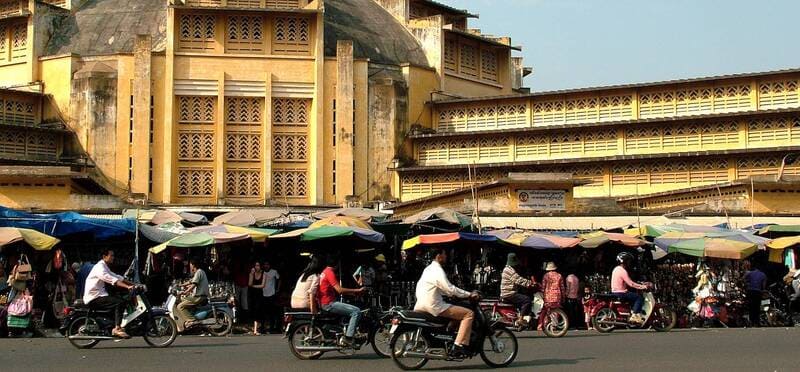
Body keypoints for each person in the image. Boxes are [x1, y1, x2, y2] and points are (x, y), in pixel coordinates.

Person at [414, 247, 479, 358]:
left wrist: (450, 294)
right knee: (468, 314)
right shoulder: (438, 270)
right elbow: (450, 288)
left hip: (420, 304)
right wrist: (469, 294)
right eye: (444, 254)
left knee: (455, 311)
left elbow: (441, 288)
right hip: (433, 305)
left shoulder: (428, 269)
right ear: (439, 256)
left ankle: (450, 334)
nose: (446, 257)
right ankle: (458, 345)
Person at [83, 249, 135, 339]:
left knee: (119, 299)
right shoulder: (99, 268)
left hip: (100, 295)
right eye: (111, 256)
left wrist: (134, 284)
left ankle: (111, 325)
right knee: (119, 302)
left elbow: (117, 276)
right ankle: (117, 328)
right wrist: (127, 287)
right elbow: (111, 279)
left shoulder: (105, 266)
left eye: (113, 256)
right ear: (104, 257)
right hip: (94, 298)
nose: (113, 258)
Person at [318, 255, 366, 346]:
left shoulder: (324, 271)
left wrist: (353, 293)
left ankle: (345, 330)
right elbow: (339, 290)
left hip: (326, 302)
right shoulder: (330, 272)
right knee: (356, 311)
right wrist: (357, 290)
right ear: (336, 264)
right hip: (329, 303)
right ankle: (348, 337)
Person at [611, 252, 648, 324]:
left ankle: (632, 312)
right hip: (621, 293)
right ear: (624, 261)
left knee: (632, 296)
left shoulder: (616, 269)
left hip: (615, 292)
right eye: (628, 260)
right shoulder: (622, 271)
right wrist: (642, 286)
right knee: (639, 297)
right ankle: (635, 315)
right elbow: (631, 283)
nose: (629, 262)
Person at [500, 253, 534, 326]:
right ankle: (520, 319)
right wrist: (529, 283)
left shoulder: (508, 269)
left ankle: (519, 317)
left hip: (507, 293)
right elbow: (518, 279)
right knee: (527, 300)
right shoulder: (509, 270)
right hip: (509, 293)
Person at [176, 259, 209, 329]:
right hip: (199, 296)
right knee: (182, 299)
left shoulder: (199, 272)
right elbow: (191, 282)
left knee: (180, 306)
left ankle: (191, 320)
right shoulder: (200, 272)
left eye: (190, 265)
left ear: (193, 265)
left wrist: (185, 291)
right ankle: (190, 316)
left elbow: (193, 284)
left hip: (199, 297)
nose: (190, 266)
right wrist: (181, 285)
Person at [539, 262, 564, 330]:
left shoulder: (546, 276)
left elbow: (543, 287)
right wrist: (563, 297)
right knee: (556, 310)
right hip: (557, 295)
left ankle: (545, 323)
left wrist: (542, 295)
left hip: (548, 296)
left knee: (547, 310)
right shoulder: (559, 275)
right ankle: (554, 325)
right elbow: (562, 287)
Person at [743, 261, 767, 327]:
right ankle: (756, 322)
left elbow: (743, 279)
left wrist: (747, 284)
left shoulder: (750, 273)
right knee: (757, 307)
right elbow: (763, 286)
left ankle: (751, 321)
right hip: (758, 292)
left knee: (751, 306)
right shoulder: (763, 275)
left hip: (750, 291)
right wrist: (763, 292)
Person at [262, 261, 281, 333]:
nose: (266, 266)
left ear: (270, 265)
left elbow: (279, 279)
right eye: (265, 264)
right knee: (264, 312)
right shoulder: (262, 272)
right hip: (263, 294)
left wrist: (277, 289)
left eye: (267, 264)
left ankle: (272, 327)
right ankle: (264, 327)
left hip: (272, 294)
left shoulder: (274, 272)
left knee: (272, 312)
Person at [249, 262, 266, 335]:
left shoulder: (264, 274)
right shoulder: (251, 274)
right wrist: (252, 274)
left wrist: (254, 286)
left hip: (260, 294)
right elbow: (249, 284)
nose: (257, 267)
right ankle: (255, 329)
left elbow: (262, 285)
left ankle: (260, 328)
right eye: (256, 265)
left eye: (258, 265)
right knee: (254, 310)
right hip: (253, 294)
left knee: (259, 310)